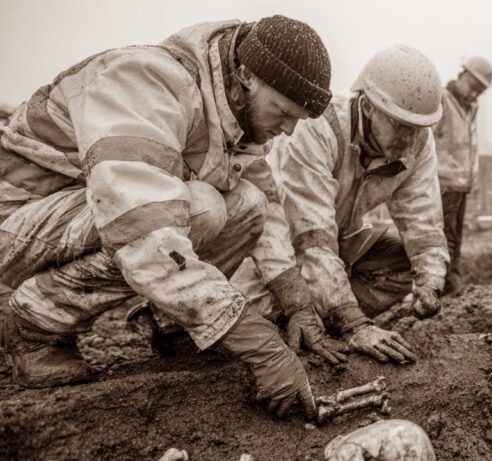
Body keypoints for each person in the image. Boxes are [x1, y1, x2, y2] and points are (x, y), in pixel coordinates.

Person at [0, 16, 339, 419]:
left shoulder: (238, 122)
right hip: (16, 221)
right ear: (246, 74)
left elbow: (266, 209)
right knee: (201, 207)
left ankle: (172, 326)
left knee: (246, 204)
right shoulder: (148, 81)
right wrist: (258, 342)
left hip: (73, 219)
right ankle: (34, 324)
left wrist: (296, 299)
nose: (287, 130)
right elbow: (141, 228)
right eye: (284, 112)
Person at [234, 45, 449, 365]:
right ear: (368, 106)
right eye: (400, 125)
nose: (409, 138)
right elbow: (310, 238)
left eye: (417, 128)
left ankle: (325, 317)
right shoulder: (318, 127)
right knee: (255, 312)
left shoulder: (417, 143)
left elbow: (423, 220)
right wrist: (353, 322)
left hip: (339, 239)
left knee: (401, 261)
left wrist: (431, 279)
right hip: (280, 245)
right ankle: (310, 317)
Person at [432, 56, 492, 295]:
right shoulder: (442, 101)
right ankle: (442, 284)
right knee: (443, 236)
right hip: (441, 182)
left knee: (456, 237)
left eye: (479, 91)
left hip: (460, 185)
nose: (474, 94)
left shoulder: (470, 109)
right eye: (473, 86)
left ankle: (451, 282)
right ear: (462, 76)